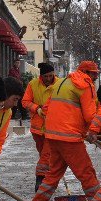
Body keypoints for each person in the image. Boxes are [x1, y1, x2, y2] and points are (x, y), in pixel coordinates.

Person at [30, 60, 101, 201]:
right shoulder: (85, 85)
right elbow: (90, 116)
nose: (96, 77)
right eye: (94, 73)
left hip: (53, 135)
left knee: (52, 174)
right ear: (87, 73)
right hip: (69, 138)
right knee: (87, 173)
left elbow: (46, 108)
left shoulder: (61, 83)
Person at [21, 62, 62, 191]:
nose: (49, 79)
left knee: (46, 155)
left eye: (51, 76)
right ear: (41, 76)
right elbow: (25, 101)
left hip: (53, 127)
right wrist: (37, 109)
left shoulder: (60, 84)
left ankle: (40, 180)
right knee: (43, 155)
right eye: (46, 76)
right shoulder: (33, 85)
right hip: (37, 128)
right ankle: (47, 178)